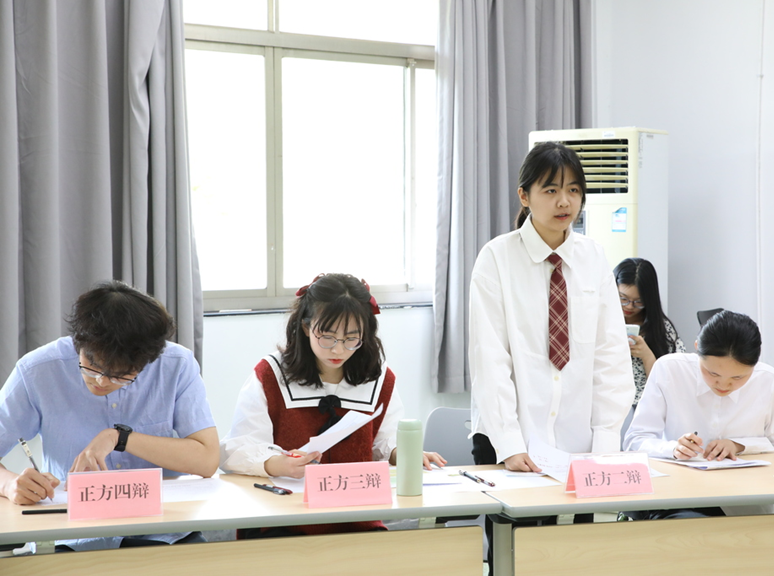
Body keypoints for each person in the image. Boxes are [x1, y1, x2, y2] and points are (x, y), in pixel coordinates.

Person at [469, 142, 634, 572]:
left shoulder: (593, 257)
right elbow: (490, 359)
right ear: (524, 196)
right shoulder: (496, 258)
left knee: (577, 559)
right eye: (551, 190)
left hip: (580, 442)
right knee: (518, 561)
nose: (565, 202)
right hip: (512, 441)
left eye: (574, 190)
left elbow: (611, 355)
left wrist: (605, 440)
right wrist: (509, 443)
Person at [220, 273, 445, 537]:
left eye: (351, 338)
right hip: (282, 520)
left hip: (356, 519)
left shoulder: (378, 377)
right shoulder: (271, 374)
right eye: (327, 337)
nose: (338, 350)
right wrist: (278, 463)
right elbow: (236, 449)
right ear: (306, 327)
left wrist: (404, 453)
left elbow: (385, 442)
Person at [0, 281, 219, 550]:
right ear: (78, 342)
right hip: (74, 535)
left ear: (147, 360)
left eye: (120, 374)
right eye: (91, 365)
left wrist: (119, 438)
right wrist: (9, 484)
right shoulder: (38, 370)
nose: (101, 381)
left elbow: (207, 460)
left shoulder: (177, 366)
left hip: (164, 531)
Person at [623, 310, 774, 519]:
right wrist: (673, 448)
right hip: (677, 497)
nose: (723, 384)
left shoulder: (768, 380)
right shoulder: (670, 370)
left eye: (738, 377)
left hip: (743, 501)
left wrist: (739, 446)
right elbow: (635, 440)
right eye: (713, 373)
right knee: (689, 525)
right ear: (697, 348)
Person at [614, 257, 685, 438]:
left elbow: (675, 381)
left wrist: (647, 356)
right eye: (623, 299)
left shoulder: (661, 329)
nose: (630, 307)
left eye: (639, 301)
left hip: (646, 406)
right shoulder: (601, 322)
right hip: (608, 401)